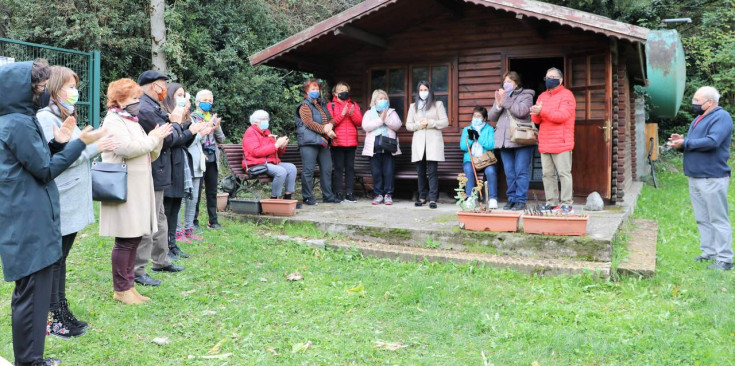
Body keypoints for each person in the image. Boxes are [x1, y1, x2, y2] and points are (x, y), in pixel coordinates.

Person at [0, 59, 106, 366]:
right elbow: (45, 171)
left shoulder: (19, 118)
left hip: (30, 215)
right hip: (27, 219)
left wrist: (58, 143)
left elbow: (35, 159)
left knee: (33, 293)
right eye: (40, 87)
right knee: (32, 295)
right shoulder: (16, 123)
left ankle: (32, 358)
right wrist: (78, 144)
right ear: (20, 90)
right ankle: (29, 361)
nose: (44, 92)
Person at [37, 66, 118, 339]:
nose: (74, 91)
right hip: (61, 197)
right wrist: (96, 147)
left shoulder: (63, 114)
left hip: (72, 197)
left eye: (75, 86)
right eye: (70, 86)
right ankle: (52, 318)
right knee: (55, 260)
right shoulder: (45, 118)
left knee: (62, 258)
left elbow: (75, 149)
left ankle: (61, 311)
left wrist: (91, 143)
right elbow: (59, 160)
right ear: (55, 87)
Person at [98, 78, 173, 304]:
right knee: (125, 239)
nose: (138, 103)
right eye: (134, 99)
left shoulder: (130, 119)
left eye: (138, 98)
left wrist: (157, 139)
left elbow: (149, 153)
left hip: (138, 185)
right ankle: (121, 289)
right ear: (119, 100)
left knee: (135, 237)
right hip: (124, 186)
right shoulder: (113, 121)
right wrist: (152, 139)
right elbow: (126, 148)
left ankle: (129, 286)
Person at [667, 86, 733, 271]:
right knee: (702, 218)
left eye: (697, 100)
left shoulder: (722, 117)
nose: (694, 104)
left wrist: (686, 142)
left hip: (712, 177)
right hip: (695, 176)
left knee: (718, 219)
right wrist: (681, 142)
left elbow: (713, 142)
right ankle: (709, 252)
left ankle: (725, 259)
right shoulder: (699, 118)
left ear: (710, 102)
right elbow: (695, 144)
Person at [134, 70, 186, 287]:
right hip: (152, 169)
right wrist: (175, 122)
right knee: (149, 220)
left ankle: (161, 260)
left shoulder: (154, 106)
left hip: (160, 169)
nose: (164, 89)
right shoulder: (144, 108)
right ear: (150, 86)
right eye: (161, 85)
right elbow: (170, 137)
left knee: (160, 217)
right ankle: (138, 269)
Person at [161, 83, 206, 257]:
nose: (182, 98)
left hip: (180, 164)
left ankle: (173, 244)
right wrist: (190, 131)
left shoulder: (182, 116)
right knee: (167, 208)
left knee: (176, 204)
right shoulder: (166, 115)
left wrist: (196, 132)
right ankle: (164, 246)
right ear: (170, 96)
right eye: (178, 94)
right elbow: (172, 140)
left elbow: (184, 141)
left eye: (183, 95)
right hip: (168, 165)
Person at [530, 67, 576, 214]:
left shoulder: (567, 95)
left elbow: (561, 116)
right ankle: (551, 203)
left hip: (561, 141)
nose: (549, 79)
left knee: (564, 173)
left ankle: (566, 203)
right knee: (547, 174)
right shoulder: (542, 96)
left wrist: (541, 111)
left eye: (552, 76)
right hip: (545, 141)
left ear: (560, 80)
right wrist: (536, 113)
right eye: (547, 77)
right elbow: (536, 119)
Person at [488, 71, 536, 211]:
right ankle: (512, 198)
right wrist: (498, 105)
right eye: (504, 81)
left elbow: (521, 111)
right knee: (509, 172)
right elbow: (491, 116)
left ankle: (521, 199)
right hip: (505, 140)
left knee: (521, 171)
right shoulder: (503, 96)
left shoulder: (526, 95)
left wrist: (505, 100)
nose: (506, 84)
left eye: (509, 81)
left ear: (516, 83)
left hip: (521, 139)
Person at [296, 78, 339, 205]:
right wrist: (325, 130)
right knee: (308, 170)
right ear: (306, 91)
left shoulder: (322, 105)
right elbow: (309, 123)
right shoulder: (304, 106)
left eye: (317, 89)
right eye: (312, 89)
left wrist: (330, 125)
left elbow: (331, 119)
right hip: (308, 142)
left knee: (327, 169)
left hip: (322, 141)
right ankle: (307, 197)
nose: (316, 91)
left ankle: (328, 196)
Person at [405, 80, 448, 209]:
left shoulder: (438, 104)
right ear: (418, 92)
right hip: (419, 142)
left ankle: (433, 198)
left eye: (425, 90)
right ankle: (422, 196)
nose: (423, 92)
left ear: (430, 91)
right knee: (420, 171)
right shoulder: (413, 106)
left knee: (433, 171)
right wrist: (419, 124)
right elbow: (408, 125)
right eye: (421, 90)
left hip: (433, 141)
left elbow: (445, 122)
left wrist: (430, 122)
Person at [176, 91, 212, 242]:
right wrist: (199, 133)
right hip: (186, 163)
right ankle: (177, 231)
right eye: (187, 102)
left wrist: (204, 133)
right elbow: (185, 140)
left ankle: (189, 229)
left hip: (198, 164)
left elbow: (198, 141)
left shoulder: (190, 118)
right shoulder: (176, 120)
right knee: (181, 199)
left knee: (194, 198)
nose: (188, 104)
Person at [242, 110, 299, 201]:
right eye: (263, 119)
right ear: (255, 122)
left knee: (291, 168)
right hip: (255, 164)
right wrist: (276, 145)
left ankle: (288, 198)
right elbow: (256, 152)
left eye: (267, 119)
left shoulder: (267, 132)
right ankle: (274, 199)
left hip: (270, 163)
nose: (266, 121)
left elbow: (276, 153)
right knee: (281, 171)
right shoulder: (250, 132)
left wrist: (281, 146)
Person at [191, 89, 226, 230]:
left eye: (210, 101)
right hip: (199, 158)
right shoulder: (192, 118)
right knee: (196, 192)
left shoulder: (213, 118)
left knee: (212, 192)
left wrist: (215, 127)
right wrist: (208, 128)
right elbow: (193, 138)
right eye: (204, 100)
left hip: (212, 159)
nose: (207, 103)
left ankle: (213, 221)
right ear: (196, 102)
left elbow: (221, 139)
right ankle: (193, 221)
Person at [362, 89, 402, 205]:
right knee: (376, 172)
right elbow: (366, 126)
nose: (383, 100)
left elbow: (397, 125)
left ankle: (388, 194)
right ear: (374, 101)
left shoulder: (391, 112)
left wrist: (386, 119)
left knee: (388, 172)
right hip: (374, 149)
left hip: (388, 148)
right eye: (380, 98)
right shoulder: (369, 113)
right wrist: (380, 120)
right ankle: (378, 194)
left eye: (385, 99)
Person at [327, 81, 362, 203]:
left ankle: (350, 193)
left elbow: (359, 122)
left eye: (346, 90)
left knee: (350, 168)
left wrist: (352, 114)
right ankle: (338, 192)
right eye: (341, 90)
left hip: (351, 142)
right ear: (335, 93)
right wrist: (342, 114)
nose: (344, 92)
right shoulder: (330, 105)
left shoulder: (353, 104)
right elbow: (331, 123)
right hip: (337, 142)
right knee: (338, 168)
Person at [460, 106, 497, 208]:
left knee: (491, 171)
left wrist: (479, 138)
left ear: (484, 118)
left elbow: (491, 145)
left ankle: (493, 198)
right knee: (468, 169)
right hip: (471, 159)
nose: (476, 118)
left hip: (486, 160)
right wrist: (471, 139)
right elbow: (463, 147)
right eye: (474, 116)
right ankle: (470, 198)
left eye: (479, 116)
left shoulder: (489, 129)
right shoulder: (467, 129)